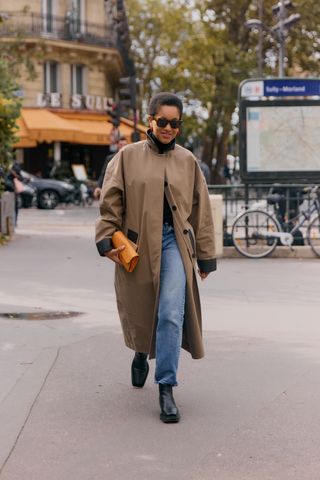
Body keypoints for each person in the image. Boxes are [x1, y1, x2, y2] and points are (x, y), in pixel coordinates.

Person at [95, 92, 217, 423]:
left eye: (174, 123)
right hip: (137, 243)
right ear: (150, 120)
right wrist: (106, 238)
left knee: (171, 313)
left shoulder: (188, 161)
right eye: (162, 121)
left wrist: (205, 255)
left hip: (174, 242)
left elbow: (201, 210)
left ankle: (166, 386)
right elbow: (111, 202)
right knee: (145, 307)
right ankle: (139, 353)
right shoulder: (126, 157)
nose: (167, 128)